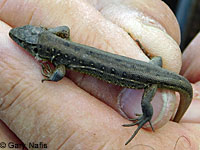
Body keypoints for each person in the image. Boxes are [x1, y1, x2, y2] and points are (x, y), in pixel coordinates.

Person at [0, 0, 199, 149]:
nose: (21, 43)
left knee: (147, 104)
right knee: (156, 61)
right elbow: (65, 29)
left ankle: (146, 116)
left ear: (38, 50)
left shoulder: (59, 61)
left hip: (149, 81)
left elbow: (59, 75)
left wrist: (48, 76)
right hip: (154, 69)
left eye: (26, 45)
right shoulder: (58, 41)